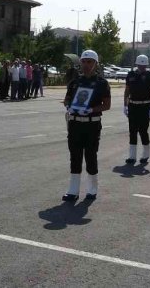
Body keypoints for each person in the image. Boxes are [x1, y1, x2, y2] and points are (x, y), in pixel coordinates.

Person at [62, 50, 112, 201]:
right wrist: (69, 106)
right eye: (84, 61)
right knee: (75, 156)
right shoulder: (75, 82)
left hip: (92, 124)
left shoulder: (102, 83)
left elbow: (107, 105)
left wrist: (91, 109)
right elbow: (67, 99)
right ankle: (73, 190)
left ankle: (92, 189)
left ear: (96, 64)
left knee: (90, 155)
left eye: (90, 62)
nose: (86, 65)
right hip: (75, 123)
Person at [123, 54, 150, 164]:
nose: (142, 67)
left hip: (145, 106)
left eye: (144, 65)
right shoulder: (130, 75)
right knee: (132, 131)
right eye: (140, 65)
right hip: (133, 105)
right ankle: (132, 156)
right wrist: (125, 105)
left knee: (143, 131)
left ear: (146, 65)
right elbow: (127, 91)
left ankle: (145, 155)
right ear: (137, 64)